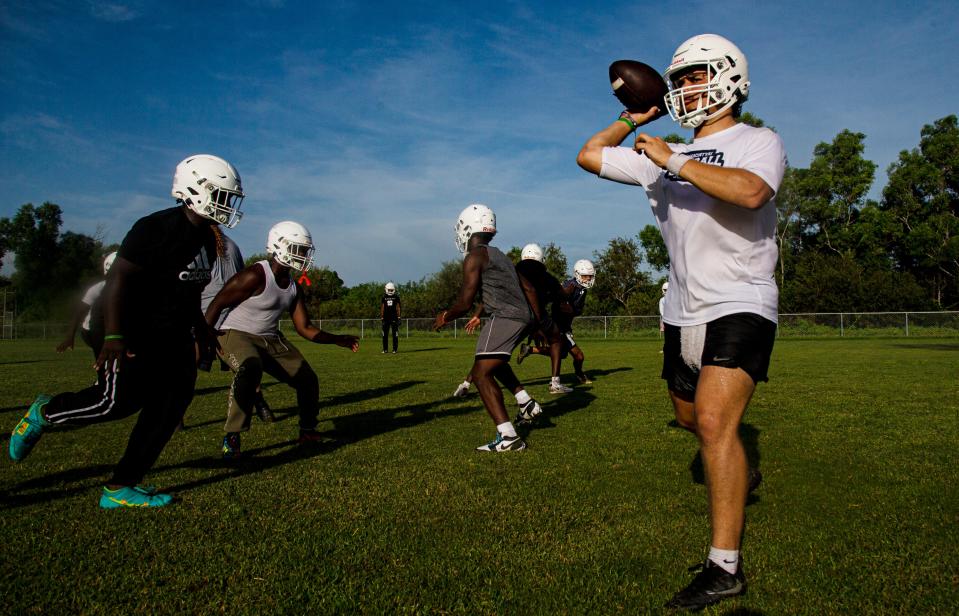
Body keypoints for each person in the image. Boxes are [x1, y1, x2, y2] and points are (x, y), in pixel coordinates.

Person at [576, 34, 786, 610]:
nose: (686, 88)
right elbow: (588, 155)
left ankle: (724, 568)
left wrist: (672, 159)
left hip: (742, 299)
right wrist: (632, 120)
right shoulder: (656, 150)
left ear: (729, 78)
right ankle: (738, 470)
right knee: (693, 421)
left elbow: (750, 192)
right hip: (681, 311)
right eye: (681, 80)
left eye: (696, 77)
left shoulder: (757, 139)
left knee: (716, 423)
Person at [10, 153, 245, 508]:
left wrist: (201, 329)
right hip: (134, 329)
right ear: (196, 189)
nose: (227, 205)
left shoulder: (208, 240)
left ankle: (121, 486)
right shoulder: (156, 228)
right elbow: (118, 280)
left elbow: (189, 291)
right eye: (222, 195)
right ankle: (43, 414)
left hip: (175, 332)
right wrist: (115, 337)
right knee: (115, 403)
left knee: (169, 409)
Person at [204, 221, 359, 459]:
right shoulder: (256, 275)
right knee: (250, 366)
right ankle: (232, 435)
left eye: (305, 251)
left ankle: (307, 430)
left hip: (270, 337)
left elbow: (304, 328)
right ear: (281, 246)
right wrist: (205, 339)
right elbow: (218, 303)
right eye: (299, 249)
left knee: (307, 379)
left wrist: (338, 339)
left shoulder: (294, 287)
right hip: (235, 333)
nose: (304, 256)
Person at [432, 204, 543, 451]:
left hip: (504, 317)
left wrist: (446, 316)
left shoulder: (475, 257)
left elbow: (465, 302)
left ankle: (508, 437)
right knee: (493, 363)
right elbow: (530, 289)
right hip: (521, 317)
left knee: (481, 374)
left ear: (467, 228)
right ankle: (525, 403)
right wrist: (536, 323)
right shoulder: (500, 255)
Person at [200, 227, 274, 422]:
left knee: (185, 368)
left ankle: (176, 416)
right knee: (245, 367)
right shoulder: (231, 245)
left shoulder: (211, 246)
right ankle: (260, 404)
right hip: (226, 315)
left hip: (209, 314)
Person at [518, 259, 595, 387]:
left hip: (565, 327)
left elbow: (576, 310)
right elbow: (554, 300)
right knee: (579, 356)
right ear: (577, 274)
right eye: (585, 276)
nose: (588, 278)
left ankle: (530, 349)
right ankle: (575, 376)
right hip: (559, 327)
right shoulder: (569, 286)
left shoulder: (582, 289)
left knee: (562, 354)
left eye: (590, 276)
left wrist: (572, 311)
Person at [56, 251, 117, 360]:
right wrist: (70, 335)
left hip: (108, 329)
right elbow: (79, 311)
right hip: (92, 330)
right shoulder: (98, 288)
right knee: (106, 359)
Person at [380, 282, 401, 354]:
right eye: (389, 290)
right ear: (386, 289)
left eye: (391, 290)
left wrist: (399, 317)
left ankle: (395, 349)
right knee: (384, 335)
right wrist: (382, 317)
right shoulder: (384, 297)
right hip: (386, 318)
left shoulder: (396, 297)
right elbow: (382, 307)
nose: (390, 291)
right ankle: (385, 349)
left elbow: (398, 307)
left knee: (395, 335)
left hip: (394, 318)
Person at [659, 281, 668, 350]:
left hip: (672, 320)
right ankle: (665, 348)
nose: (665, 291)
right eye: (665, 290)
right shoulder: (662, 300)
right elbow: (661, 310)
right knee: (666, 335)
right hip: (665, 320)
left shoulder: (674, 299)